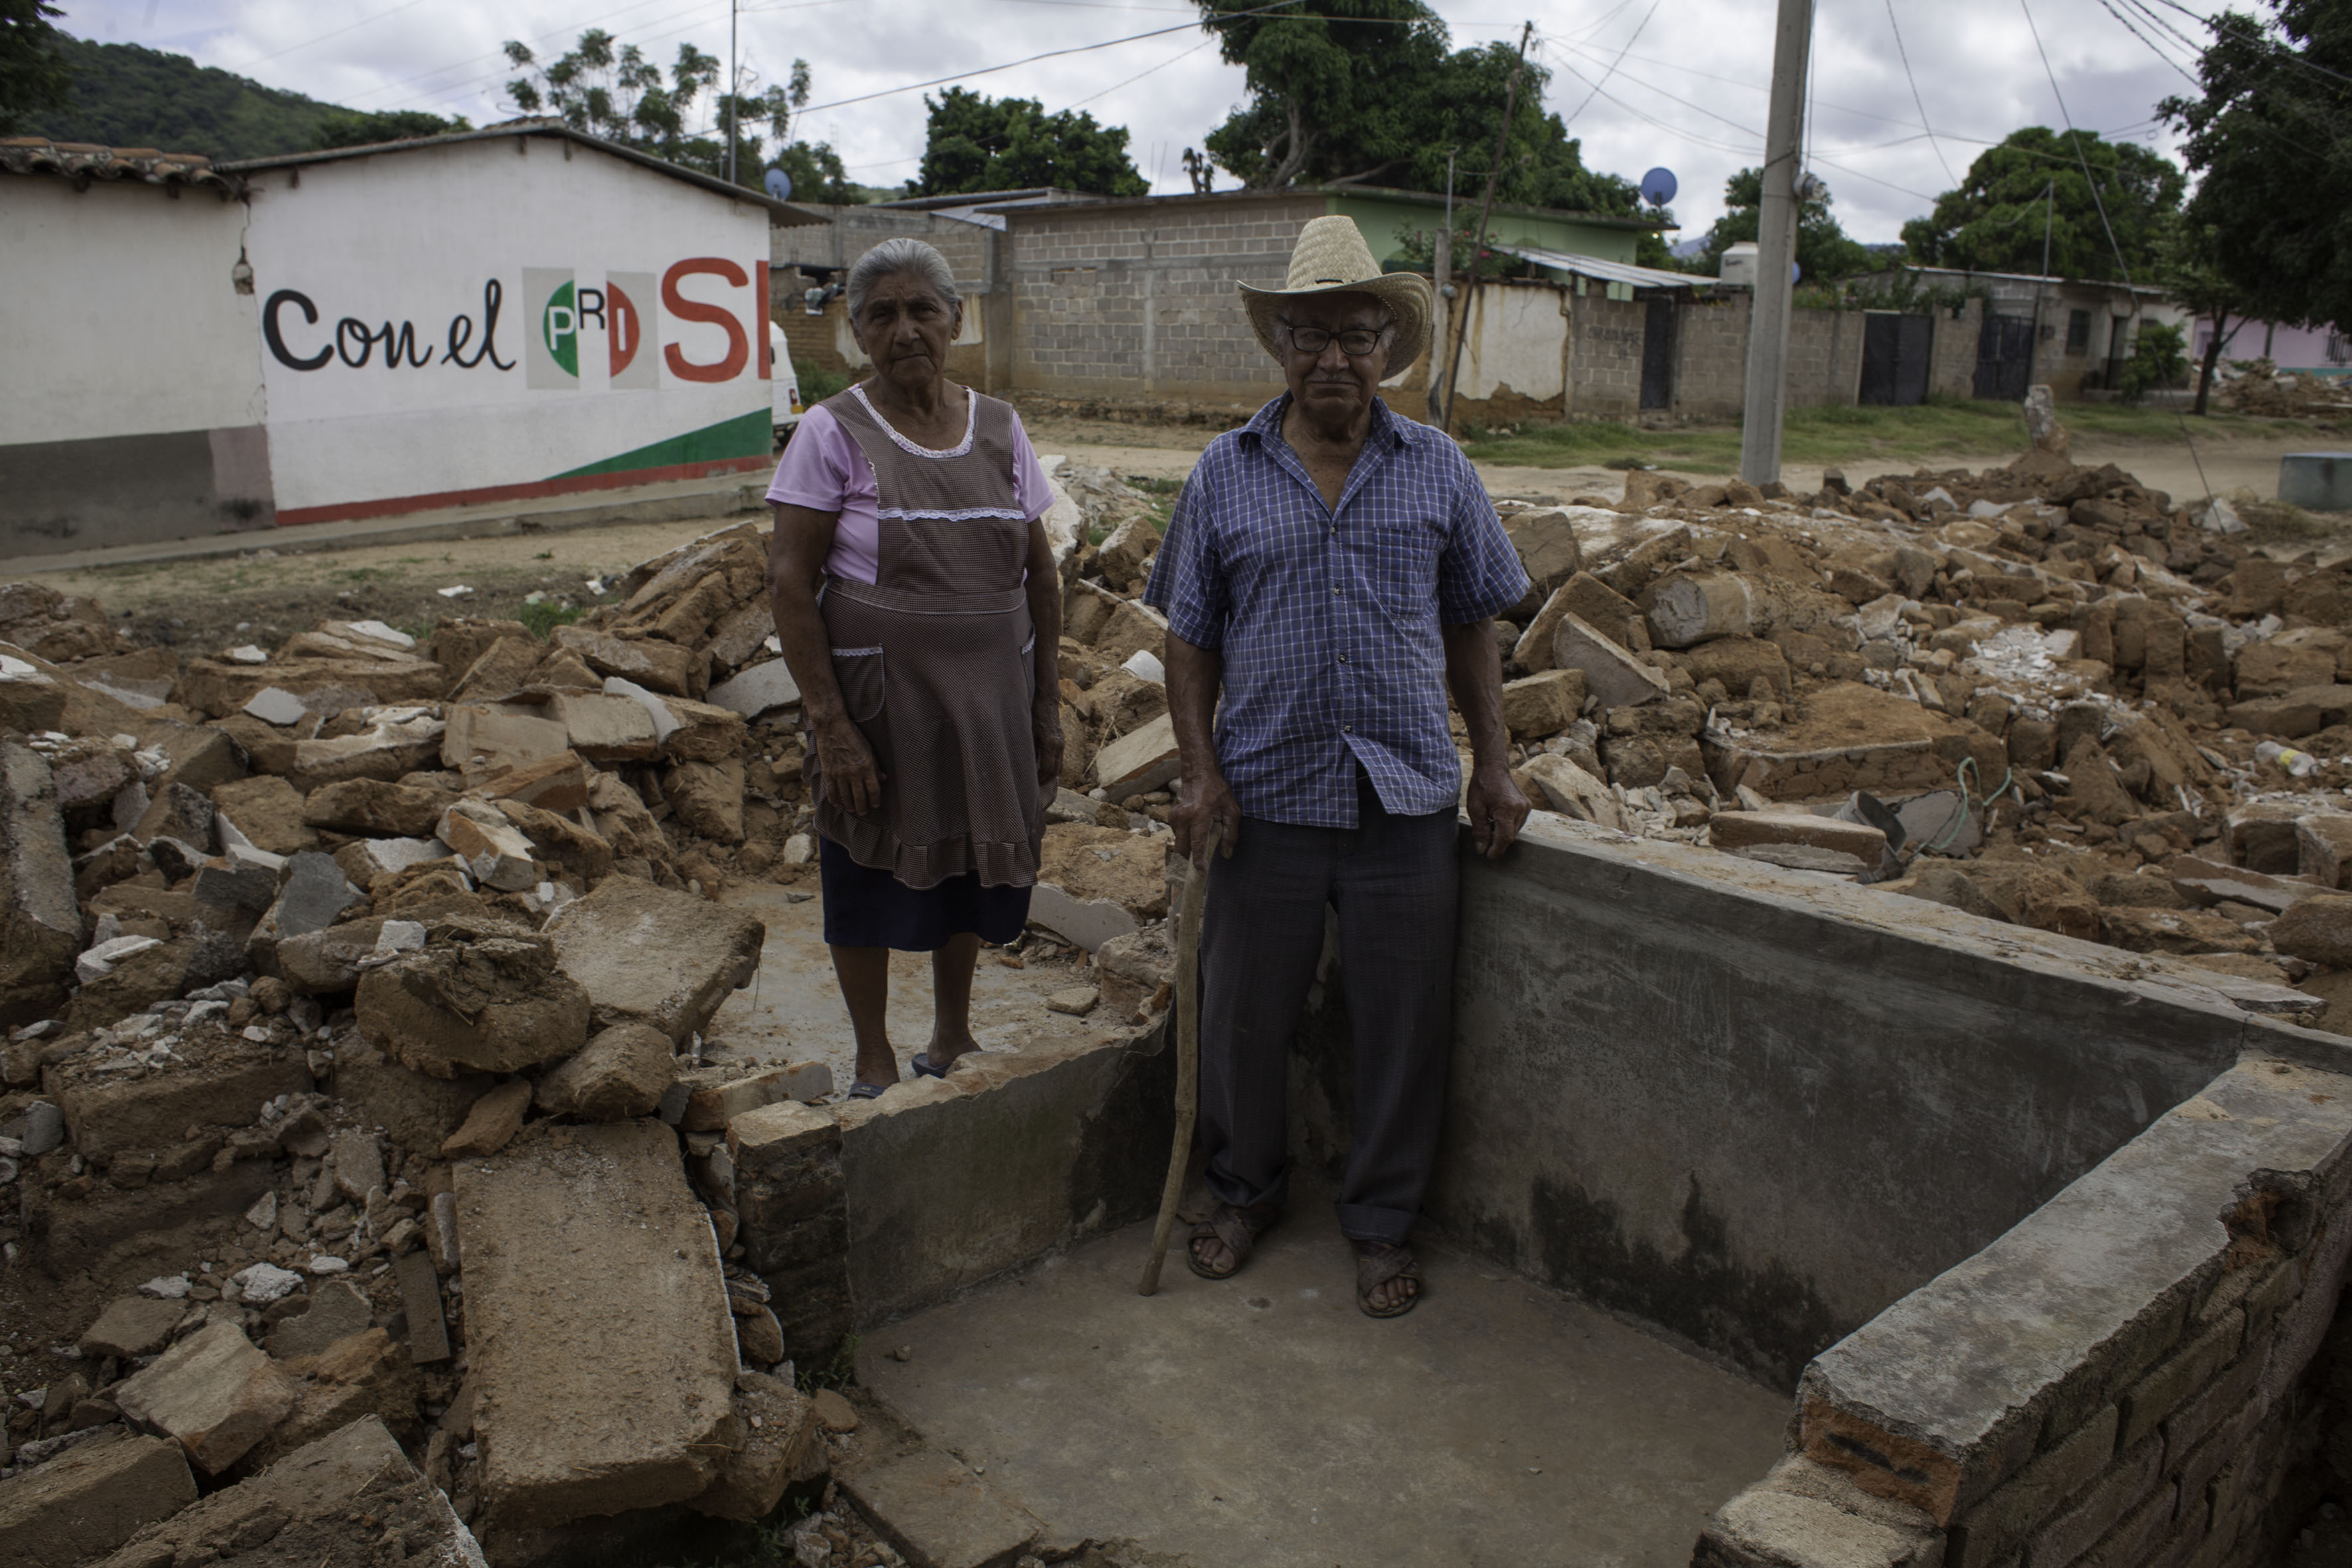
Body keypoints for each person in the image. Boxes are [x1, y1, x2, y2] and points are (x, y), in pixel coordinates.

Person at [1144, 215, 1531, 1318]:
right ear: (1281, 347)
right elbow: (1190, 638)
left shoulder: (1438, 467)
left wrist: (1494, 764)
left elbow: (1474, 625)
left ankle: (1381, 1220)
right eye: (1310, 335)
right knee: (1244, 1015)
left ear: (1385, 348)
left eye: (1355, 336)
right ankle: (1243, 1189)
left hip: (1404, 790)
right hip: (1264, 793)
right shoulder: (1227, 471)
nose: (1332, 358)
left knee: (1404, 1020)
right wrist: (1199, 772)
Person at [763, 238, 1064, 1099]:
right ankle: (873, 1053)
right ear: (856, 331)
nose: (904, 330)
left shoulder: (1002, 428)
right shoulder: (831, 432)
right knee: (862, 869)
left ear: (956, 319)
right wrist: (831, 724)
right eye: (881, 315)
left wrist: (1045, 706)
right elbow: (790, 581)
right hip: (880, 704)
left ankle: (953, 1032)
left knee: (965, 865)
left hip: (987, 701)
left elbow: (1040, 572)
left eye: (921, 309)